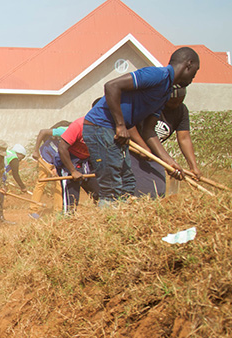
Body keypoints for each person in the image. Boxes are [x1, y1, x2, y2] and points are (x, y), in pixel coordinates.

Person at [83, 47, 200, 205]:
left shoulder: (165, 93)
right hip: (101, 126)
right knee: (112, 189)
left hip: (115, 132)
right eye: (195, 70)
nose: (194, 76)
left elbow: (149, 131)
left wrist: (169, 162)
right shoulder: (157, 75)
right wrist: (120, 125)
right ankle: (105, 225)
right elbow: (111, 86)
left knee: (128, 184)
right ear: (189, 64)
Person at [128, 85, 201, 197]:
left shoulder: (181, 110)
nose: (176, 105)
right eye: (172, 102)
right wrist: (143, 147)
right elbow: (129, 125)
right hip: (132, 149)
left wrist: (193, 167)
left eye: (179, 101)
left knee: (158, 191)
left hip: (153, 153)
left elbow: (184, 138)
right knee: (143, 191)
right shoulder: (151, 105)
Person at [29, 122, 69, 218]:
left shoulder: (77, 140)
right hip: (46, 155)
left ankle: (57, 212)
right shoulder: (63, 131)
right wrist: (36, 151)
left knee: (59, 184)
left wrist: (56, 167)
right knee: (41, 182)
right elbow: (43, 132)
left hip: (58, 159)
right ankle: (33, 209)